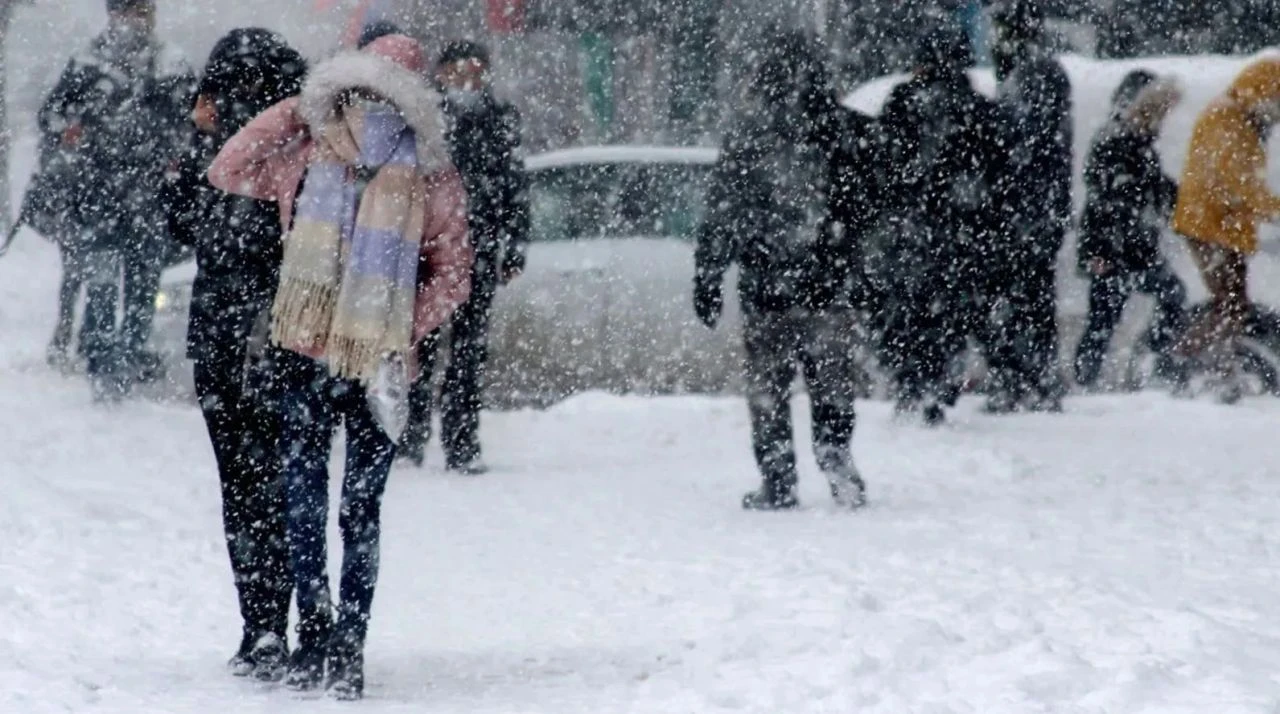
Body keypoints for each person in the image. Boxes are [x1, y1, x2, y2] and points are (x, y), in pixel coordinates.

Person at [208, 34, 472, 700]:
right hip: (336, 360)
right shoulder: (327, 153)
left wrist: (392, 328)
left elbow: (454, 272)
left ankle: (329, 638)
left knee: (324, 505)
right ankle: (336, 640)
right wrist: (301, 109)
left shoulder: (406, 168)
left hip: (346, 362)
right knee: (343, 508)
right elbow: (227, 167)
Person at [164, 28, 306, 681]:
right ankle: (273, 621)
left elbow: (180, 224)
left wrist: (198, 143)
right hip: (259, 335)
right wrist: (195, 140)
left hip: (256, 334)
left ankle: (266, 622)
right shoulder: (272, 147)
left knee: (254, 487)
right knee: (269, 484)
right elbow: (178, 223)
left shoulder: (286, 151)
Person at [694, 32, 875, 511]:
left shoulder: (749, 136)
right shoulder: (847, 131)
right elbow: (871, 209)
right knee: (832, 385)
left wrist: (709, 276)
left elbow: (723, 212)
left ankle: (777, 478)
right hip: (829, 286)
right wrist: (859, 266)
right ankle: (837, 460)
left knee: (768, 390)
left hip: (767, 286)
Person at [39, 0, 196, 400]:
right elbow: (51, 115)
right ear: (113, 16)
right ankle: (103, 362)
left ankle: (126, 358)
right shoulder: (87, 63)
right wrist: (70, 127)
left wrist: (176, 151)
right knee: (103, 284)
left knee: (142, 287)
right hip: (97, 197)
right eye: (128, 12)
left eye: (141, 12)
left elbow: (192, 123)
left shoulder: (170, 64)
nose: (134, 21)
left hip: (148, 198)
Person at [396, 40, 529, 473]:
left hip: (478, 249)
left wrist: (515, 245)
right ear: (441, 73)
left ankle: (462, 442)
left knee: (469, 352)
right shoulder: (423, 116)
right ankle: (410, 436)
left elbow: (514, 184)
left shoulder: (499, 118)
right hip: (429, 251)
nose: (467, 80)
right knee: (421, 345)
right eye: (458, 71)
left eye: (476, 71)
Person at [877, 25, 1003, 425]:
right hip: (962, 230)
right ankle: (939, 383)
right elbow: (996, 173)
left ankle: (910, 382)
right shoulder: (977, 107)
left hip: (912, 227)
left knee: (908, 309)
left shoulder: (902, 102)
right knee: (952, 312)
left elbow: (882, 163)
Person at [1172, 57, 1280, 403]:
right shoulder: (1228, 119)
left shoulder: (1240, 117)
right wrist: (1275, 210)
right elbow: (1244, 184)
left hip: (1220, 226)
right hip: (1211, 227)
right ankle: (1185, 360)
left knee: (1232, 305)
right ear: (1264, 93)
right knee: (1231, 306)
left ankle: (1216, 367)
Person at [1074, 70, 1187, 390]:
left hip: (1132, 249)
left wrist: (1184, 202)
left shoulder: (1137, 142)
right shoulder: (1115, 140)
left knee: (1108, 317)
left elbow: (1153, 188)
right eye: (1159, 110)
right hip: (1113, 250)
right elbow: (1110, 199)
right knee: (1105, 318)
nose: (1162, 119)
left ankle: (1143, 359)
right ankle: (1093, 377)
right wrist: (1100, 252)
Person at [986, 0, 1073, 413]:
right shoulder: (1037, 72)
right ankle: (1030, 377)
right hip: (1035, 209)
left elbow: (1024, 142)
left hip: (1026, 211)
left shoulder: (1032, 74)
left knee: (1023, 295)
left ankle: (1024, 378)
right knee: (1030, 296)